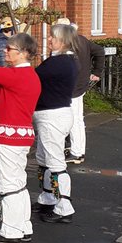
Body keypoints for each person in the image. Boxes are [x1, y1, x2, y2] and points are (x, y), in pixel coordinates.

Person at [0, 33, 43, 243]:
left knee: (8, 184)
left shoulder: (17, 75)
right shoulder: (28, 76)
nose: (5, 51)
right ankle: (23, 225)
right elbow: (4, 91)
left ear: (24, 53)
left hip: (10, 137)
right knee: (18, 182)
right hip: (21, 136)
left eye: (10, 49)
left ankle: (11, 231)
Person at [34, 23, 80, 224]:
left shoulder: (58, 63)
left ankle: (64, 206)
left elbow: (32, 77)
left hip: (52, 116)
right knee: (44, 159)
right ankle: (48, 197)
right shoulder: (66, 61)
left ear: (63, 40)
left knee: (55, 162)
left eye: (53, 37)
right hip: (53, 114)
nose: (49, 40)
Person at [63, 18, 105, 165]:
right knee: (78, 120)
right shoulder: (82, 40)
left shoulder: (69, 45)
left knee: (74, 120)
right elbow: (100, 51)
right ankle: (77, 150)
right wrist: (97, 72)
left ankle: (76, 152)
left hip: (72, 88)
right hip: (80, 86)